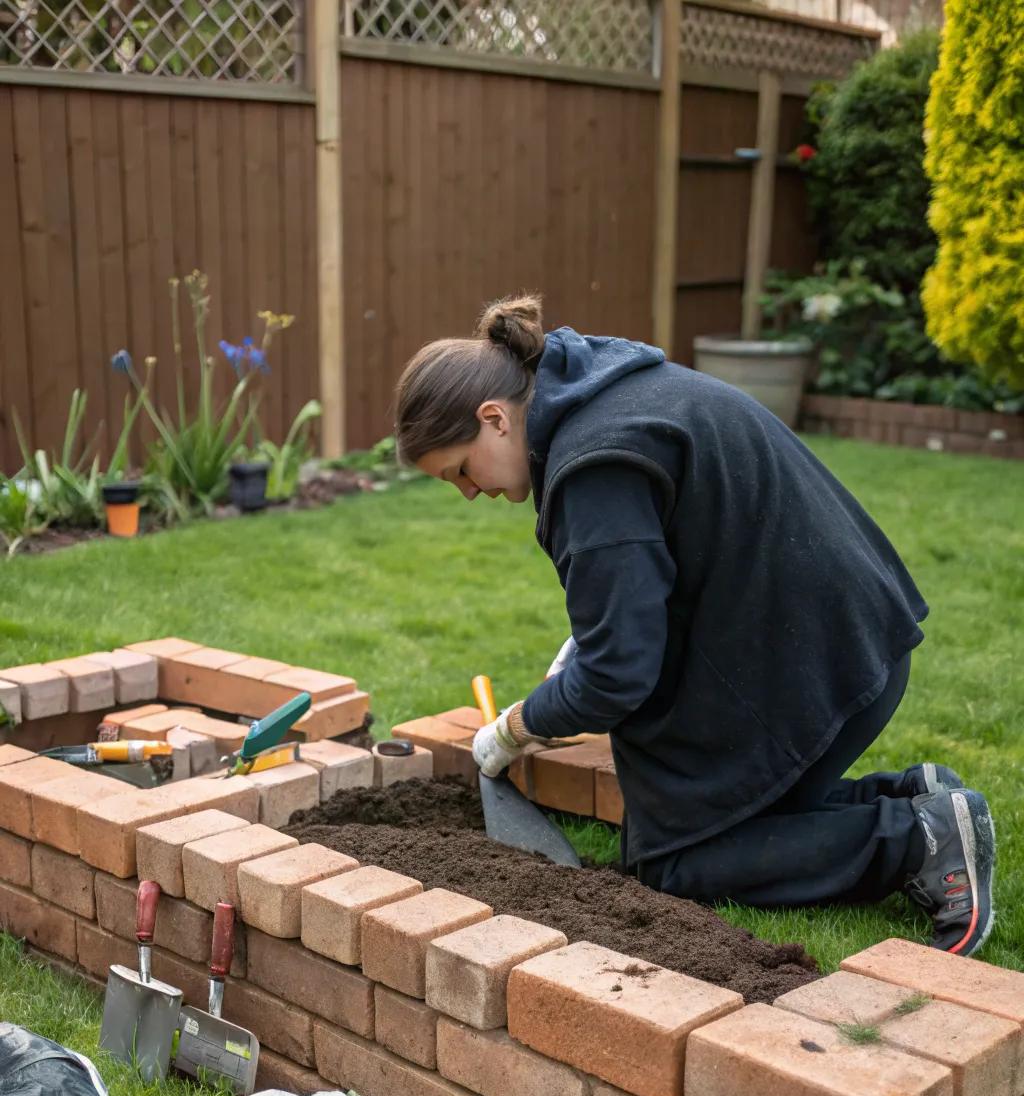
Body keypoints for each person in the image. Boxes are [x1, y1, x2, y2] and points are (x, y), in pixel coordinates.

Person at [393, 294, 996, 956]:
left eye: (459, 470)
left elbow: (617, 676)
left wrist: (516, 728)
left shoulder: (593, 464)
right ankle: (914, 797)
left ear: (494, 419)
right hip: (845, 638)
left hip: (819, 666)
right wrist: (591, 640)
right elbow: (658, 574)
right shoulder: (606, 391)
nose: (470, 492)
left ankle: (920, 840)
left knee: (672, 862)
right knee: (714, 818)